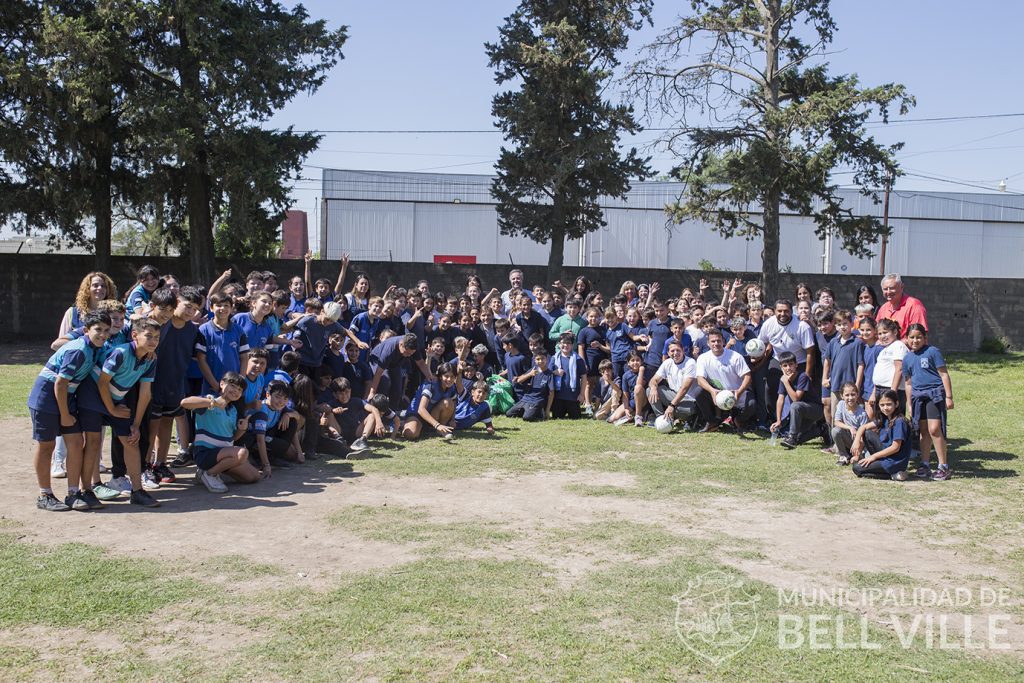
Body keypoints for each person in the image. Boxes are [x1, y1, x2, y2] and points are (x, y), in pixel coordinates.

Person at [28, 311, 111, 511]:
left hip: (67, 397)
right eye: (98, 329)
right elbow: (60, 383)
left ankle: (74, 493)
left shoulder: (95, 348)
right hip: (47, 397)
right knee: (46, 445)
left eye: (106, 330)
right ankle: (44, 494)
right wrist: (65, 415)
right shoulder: (79, 349)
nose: (102, 334)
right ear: (86, 330)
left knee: (75, 442)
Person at [76, 317, 163, 507]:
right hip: (92, 397)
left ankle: (137, 491)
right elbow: (102, 382)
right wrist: (112, 409)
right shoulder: (121, 352)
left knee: (132, 440)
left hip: (115, 401)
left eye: (156, 337)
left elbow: (145, 393)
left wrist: (136, 424)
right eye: (148, 336)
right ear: (134, 335)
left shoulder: (151, 359)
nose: (153, 341)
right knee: (93, 442)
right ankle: (86, 491)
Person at [181, 372, 261, 492]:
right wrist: (212, 403)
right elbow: (184, 403)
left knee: (254, 476)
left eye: (239, 389)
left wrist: (242, 429)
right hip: (205, 453)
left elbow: (233, 437)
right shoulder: (209, 400)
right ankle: (209, 474)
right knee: (242, 453)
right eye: (233, 386)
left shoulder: (233, 410)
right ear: (222, 384)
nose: (236, 391)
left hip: (223, 455)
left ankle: (214, 470)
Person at [903, 324, 954, 481]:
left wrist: (949, 397)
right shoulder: (907, 358)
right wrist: (910, 404)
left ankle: (943, 466)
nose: (915, 340)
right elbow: (908, 383)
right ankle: (924, 464)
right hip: (918, 398)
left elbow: (944, 374)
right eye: (912, 337)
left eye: (919, 337)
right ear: (906, 339)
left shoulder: (933, 352)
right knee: (923, 431)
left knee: (934, 429)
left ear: (925, 338)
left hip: (934, 395)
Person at [694, 329, 754, 433]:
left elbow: (747, 376)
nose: (716, 343)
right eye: (713, 341)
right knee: (698, 392)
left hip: (736, 392)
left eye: (718, 341)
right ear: (708, 343)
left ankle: (738, 421)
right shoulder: (703, 358)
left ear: (723, 342)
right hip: (717, 393)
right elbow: (700, 379)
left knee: (752, 404)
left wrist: (739, 392)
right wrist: (712, 391)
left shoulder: (735, 357)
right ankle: (712, 422)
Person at [850, 389, 911, 481]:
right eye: (882, 405)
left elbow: (895, 447)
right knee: (867, 433)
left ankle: (895, 474)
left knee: (857, 468)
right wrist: (856, 441)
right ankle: (885, 469)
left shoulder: (899, 421)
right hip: (885, 456)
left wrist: (873, 457)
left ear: (896, 404)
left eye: (889, 404)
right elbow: (863, 427)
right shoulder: (885, 418)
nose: (885, 408)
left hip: (894, 461)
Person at [197, 292, 251, 395]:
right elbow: (201, 359)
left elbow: (244, 357)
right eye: (218, 305)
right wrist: (215, 385)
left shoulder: (238, 330)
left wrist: (240, 382)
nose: (223, 308)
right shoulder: (203, 330)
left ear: (231, 308)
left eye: (226, 305)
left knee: (233, 411)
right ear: (211, 308)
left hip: (235, 388)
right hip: (212, 387)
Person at [772, 352, 823, 448]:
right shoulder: (783, 379)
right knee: (798, 439)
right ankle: (820, 430)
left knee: (795, 405)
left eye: (791, 364)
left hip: (815, 410)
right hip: (801, 413)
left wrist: (786, 382)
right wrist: (778, 421)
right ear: (781, 367)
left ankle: (792, 437)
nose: (788, 368)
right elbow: (780, 399)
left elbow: (796, 399)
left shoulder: (802, 376)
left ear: (796, 365)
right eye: (785, 366)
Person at [646, 340, 698, 424]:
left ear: (683, 351)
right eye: (672, 351)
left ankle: (688, 419)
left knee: (687, 411)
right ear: (668, 353)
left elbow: (684, 388)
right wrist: (653, 388)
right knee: (650, 390)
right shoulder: (667, 363)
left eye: (678, 350)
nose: (675, 353)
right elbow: (653, 380)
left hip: (689, 400)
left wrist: (671, 406)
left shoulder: (690, 363)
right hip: (674, 395)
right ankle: (662, 420)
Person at [403, 362, 459, 440]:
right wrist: (437, 425)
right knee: (410, 434)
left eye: (452, 377)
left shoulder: (452, 387)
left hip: (432, 414)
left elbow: (454, 403)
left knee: (448, 402)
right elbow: (421, 409)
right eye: (446, 376)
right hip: (417, 413)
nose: (449, 379)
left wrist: (453, 420)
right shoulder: (431, 384)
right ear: (440, 377)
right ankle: (407, 424)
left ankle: (440, 431)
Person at [506, 350, 554, 422]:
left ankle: (540, 412)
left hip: (537, 400)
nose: (540, 361)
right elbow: (519, 380)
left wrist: (547, 410)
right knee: (509, 414)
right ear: (535, 360)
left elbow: (551, 393)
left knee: (527, 418)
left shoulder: (549, 374)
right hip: (526, 398)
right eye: (538, 359)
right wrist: (530, 374)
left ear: (546, 359)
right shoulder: (533, 369)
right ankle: (530, 411)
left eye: (542, 359)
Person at [831, 382, 870, 466]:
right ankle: (844, 456)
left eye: (853, 394)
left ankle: (858, 455)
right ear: (842, 396)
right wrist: (850, 428)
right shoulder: (841, 404)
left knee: (864, 460)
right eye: (847, 395)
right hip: (848, 438)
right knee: (835, 431)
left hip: (859, 443)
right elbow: (837, 422)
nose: (850, 398)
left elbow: (864, 437)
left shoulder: (862, 413)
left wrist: (857, 453)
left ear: (857, 395)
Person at [550, 333, 586, 419]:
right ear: (559, 344)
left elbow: (584, 377)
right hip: (558, 397)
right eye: (563, 343)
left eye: (568, 343)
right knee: (557, 417)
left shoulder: (578, 359)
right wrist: (555, 372)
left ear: (572, 345)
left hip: (572, 396)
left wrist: (581, 394)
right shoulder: (554, 358)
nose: (565, 345)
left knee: (576, 418)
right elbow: (547, 372)